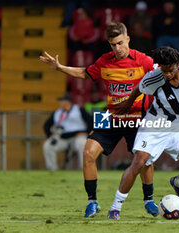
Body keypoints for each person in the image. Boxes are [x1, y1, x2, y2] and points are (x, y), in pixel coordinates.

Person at [39, 22, 159, 218]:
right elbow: (86, 74)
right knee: (87, 153)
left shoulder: (144, 61)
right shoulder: (105, 61)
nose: (117, 48)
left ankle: (149, 200)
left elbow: (162, 77)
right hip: (109, 115)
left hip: (138, 116)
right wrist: (60, 68)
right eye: (113, 44)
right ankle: (92, 202)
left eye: (120, 43)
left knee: (144, 160)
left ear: (128, 39)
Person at [107, 46, 179, 219]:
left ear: (176, 64)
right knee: (139, 162)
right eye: (163, 70)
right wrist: (128, 104)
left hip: (177, 125)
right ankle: (115, 208)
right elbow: (139, 88)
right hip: (154, 123)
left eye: (170, 70)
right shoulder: (154, 77)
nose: (167, 74)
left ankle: (178, 183)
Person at [43, 93, 90, 170]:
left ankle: (85, 169)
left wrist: (86, 132)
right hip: (62, 137)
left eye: (61, 101)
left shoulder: (79, 110)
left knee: (83, 144)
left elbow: (91, 121)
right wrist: (50, 135)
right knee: (48, 145)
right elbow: (46, 125)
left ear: (68, 102)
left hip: (77, 137)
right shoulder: (57, 112)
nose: (60, 103)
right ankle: (52, 170)